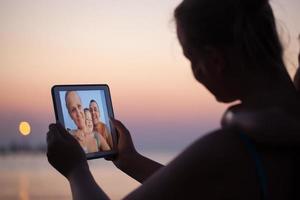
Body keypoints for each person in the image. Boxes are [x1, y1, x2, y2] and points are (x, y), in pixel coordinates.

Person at [47, 0, 300, 199]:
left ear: (215, 61)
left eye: (191, 57)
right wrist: (131, 161)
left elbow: (206, 175)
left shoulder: (230, 149)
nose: (195, 71)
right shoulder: (285, 126)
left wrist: (76, 171)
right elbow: (197, 190)